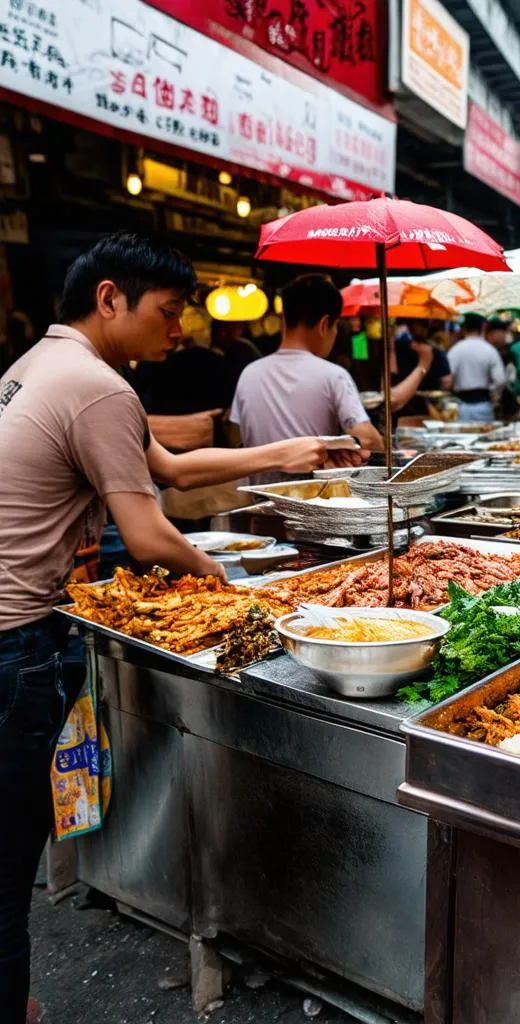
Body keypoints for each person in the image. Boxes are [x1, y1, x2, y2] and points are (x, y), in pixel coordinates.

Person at [0, 232, 330, 1023]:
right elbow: (149, 537)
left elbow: (172, 468)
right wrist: (228, 587)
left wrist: (282, 454)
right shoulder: (98, 387)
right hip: (16, 644)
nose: (180, 330)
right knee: (9, 855)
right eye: (171, 312)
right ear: (110, 299)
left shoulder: (41, 365)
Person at [230, 274, 384, 468]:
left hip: (257, 496)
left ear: (284, 318)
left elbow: (236, 437)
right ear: (323, 325)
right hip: (315, 496)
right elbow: (370, 441)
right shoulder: (333, 376)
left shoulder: (249, 374)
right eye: (335, 326)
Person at [447, 313, 506, 423]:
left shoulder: (455, 350)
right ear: (483, 327)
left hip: (461, 406)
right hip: (483, 405)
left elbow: (447, 379)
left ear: (463, 328)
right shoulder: (490, 350)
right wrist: (493, 393)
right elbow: (500, 380)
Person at [393, 319, 452, 418]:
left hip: (422, 409)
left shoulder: (399, 348)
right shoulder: (434, 351)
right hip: (410, 407)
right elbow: (447, 382)